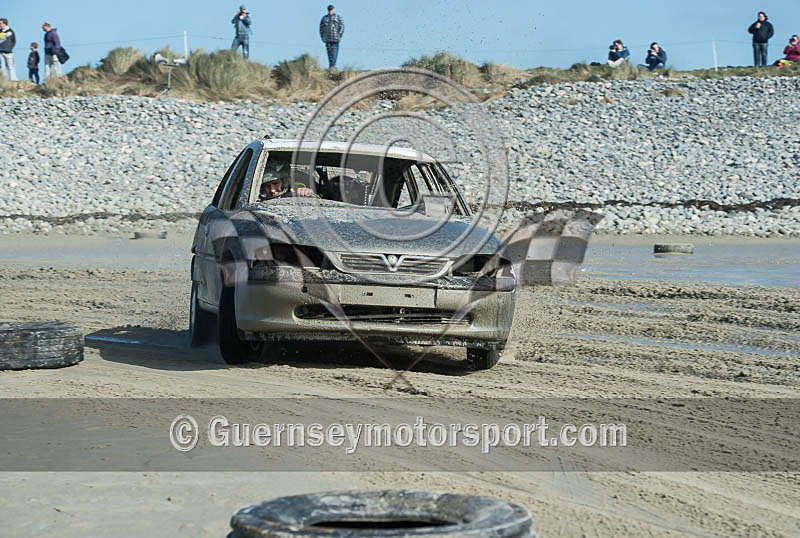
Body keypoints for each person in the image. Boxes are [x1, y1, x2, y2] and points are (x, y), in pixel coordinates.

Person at [319, 4, 344, 70]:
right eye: (329, 9)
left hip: (335, 38)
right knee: (329, 53)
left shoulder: (338, 17)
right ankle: (331, 65)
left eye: (331, 9)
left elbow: (342, 27)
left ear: (333, 9)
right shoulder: (324, 18)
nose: (330, 11)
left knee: (334, 52)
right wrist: (322, 37)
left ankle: (332, 65)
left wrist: (339, 36)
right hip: (327, 39)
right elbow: (321, 28)